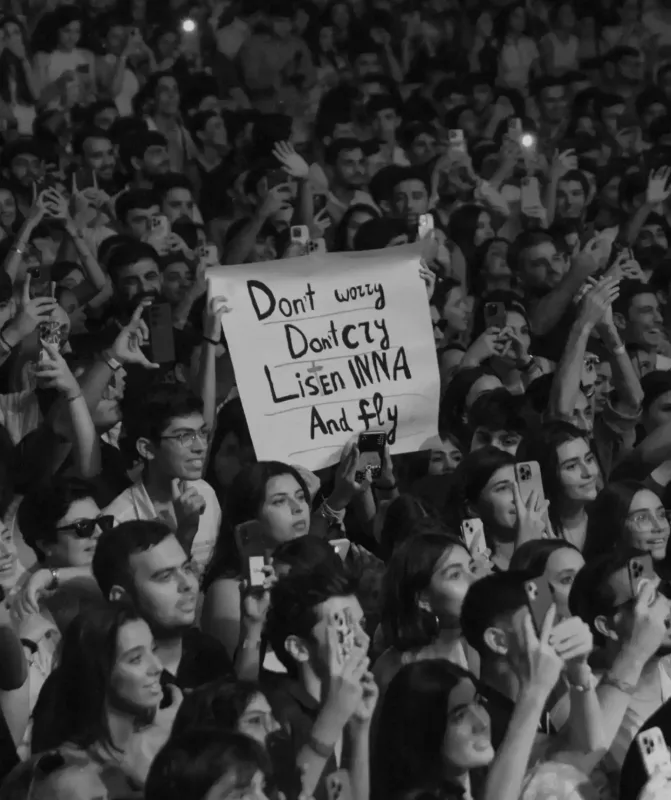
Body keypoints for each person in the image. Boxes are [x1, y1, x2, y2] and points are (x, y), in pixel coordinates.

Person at [30, 602, 180, 789]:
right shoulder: (71, 774)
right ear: (98, 672)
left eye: (153, 649)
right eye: (136, 659)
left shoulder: (158, 738)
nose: (157, 666)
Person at [92, 520, 234, 689]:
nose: (187, 584)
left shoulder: (208, 653)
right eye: (165, 577)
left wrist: (252, 629)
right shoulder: (103, 680)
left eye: (187, 568)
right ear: (120, 597)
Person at [106, 386, 220, 570]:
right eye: (184, 436)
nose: (200, 447)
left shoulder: (206, 492)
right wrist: (185, 534)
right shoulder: (118, 521)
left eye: (202, 433)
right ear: (147, 449)